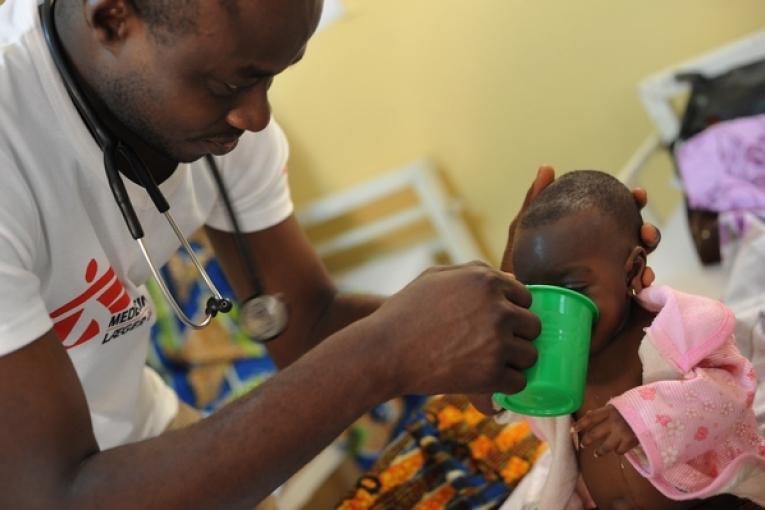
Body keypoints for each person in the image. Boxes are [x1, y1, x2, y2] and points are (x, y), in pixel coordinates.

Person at [0, 1, 656, 508]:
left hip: (142, 433)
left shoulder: (222, 115)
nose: (256, 117)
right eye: (233, 84)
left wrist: (518, 314)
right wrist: (380, 356)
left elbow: (305, 323)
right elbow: (51, 495)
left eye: (271, 79)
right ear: (113, 15)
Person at [499, 170, 765, 510]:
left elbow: (729, 392)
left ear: (632, 267)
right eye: (542, 297)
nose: (559, 313)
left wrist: (643, 417)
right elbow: (497, 396)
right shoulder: (555, 352)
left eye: (574, 290)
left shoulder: (675, 328)